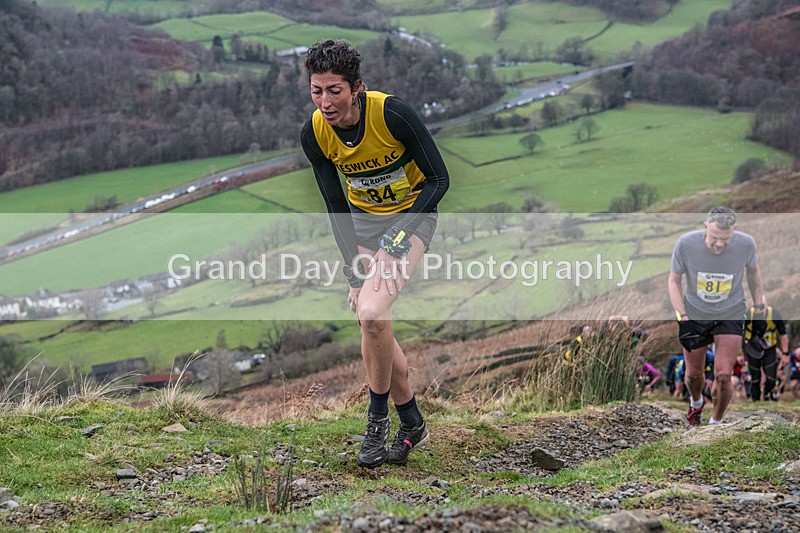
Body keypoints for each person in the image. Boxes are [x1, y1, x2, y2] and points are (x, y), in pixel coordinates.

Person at [301, 40, 449, 468]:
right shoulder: (315, 133)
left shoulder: (393, 114)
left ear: (357, 87)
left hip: (413, 217)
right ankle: (413, 421)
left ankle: (377, 419)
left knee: (370, 315)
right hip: (364, 226)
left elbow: (438, 181)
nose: (325, 102)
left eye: (335, 90)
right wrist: (352, 271)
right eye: (317, 90)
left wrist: (398, 236)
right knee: (373, 320)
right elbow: (335, 207)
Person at [668, 207, 765, 425]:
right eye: (714, 238)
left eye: (726, 239)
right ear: (705, 227)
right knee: (693, 375)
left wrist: (759, 308)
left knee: (723, 375)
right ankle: (696, 403)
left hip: (729, 312)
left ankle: (716, 423)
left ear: (734, 230)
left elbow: (754, 271)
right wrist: (682, 317)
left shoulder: (746, 244)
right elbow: (673, 280)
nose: (719, 244)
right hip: (695, 312)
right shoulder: (686, 243)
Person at [743, 304, 789, 402]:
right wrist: (740, 353)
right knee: (755, 377)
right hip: (753, 349)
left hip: (769, 349)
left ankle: (766, 394)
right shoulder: (748, 314)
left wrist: (785, 353)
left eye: (762, 309)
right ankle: (755, 400)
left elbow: (783, 334)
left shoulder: (774, 314)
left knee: (771, 377)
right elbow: (738, 332)